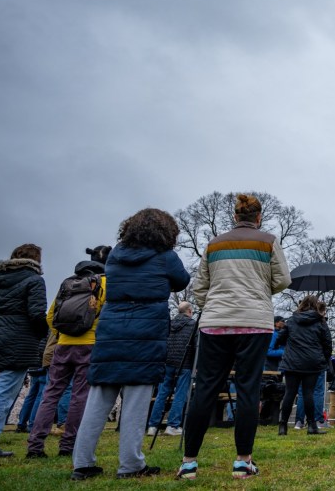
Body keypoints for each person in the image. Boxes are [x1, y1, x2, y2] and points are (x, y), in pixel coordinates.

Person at [70, 208, 190, 481]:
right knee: (136, 402)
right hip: (146, 331)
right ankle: (130, 464)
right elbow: (182, 280)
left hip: (113, 328)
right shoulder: (165, 257)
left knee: (98, 399)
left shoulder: (115, 256)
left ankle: (82, 462)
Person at [177, 193, 291, 481]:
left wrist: (214, 301)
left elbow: (200, 286)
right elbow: (283, 279)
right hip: (254, 321)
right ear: (259, 218)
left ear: (234, 217)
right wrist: (259, 290)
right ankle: (243, 460)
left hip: (216, 321)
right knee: (248, 389)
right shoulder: (268, 242)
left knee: (205, 388)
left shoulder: (215, 244)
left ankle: (189, 461)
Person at [28, 246, 109, 458]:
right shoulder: (104, 283)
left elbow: (50, 316)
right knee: (79, 395)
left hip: (63, 345)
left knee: (51, 394)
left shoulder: (68, 282)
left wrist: (62, 334)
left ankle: (35, 445)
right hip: (90, 344)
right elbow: (108, 318)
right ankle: (68, 445)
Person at [0, 244, 48, 458]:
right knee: (3, 396)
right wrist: (44, 333)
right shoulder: (34, 280)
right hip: (19, 341)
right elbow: (36, 313)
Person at [276, 296, 333, 436]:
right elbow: (327, 343)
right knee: (308, 393)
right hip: (312, 362)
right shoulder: (320, 322)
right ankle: (312, 426)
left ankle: (283, 426)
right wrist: (324, 359)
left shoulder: (292, 320)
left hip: (292, 362)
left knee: (290, 393)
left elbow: (279, 339)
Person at [146, 301, 196, 436]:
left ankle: (153, 426)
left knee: (162, 394)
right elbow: (197, 346)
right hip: (184, 364)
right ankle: (172, 425)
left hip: (167, 362)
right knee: (180, 394)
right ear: (190, 311)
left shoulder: (170, 324)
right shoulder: (193, 325)